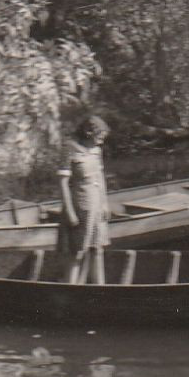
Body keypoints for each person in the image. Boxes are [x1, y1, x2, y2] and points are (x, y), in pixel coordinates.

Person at [57, 115, 110, 282]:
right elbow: (63, 183)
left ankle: (100, 288)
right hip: (79, 206)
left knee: (97, 249)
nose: (100, 142)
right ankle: (70, 290)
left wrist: (104, 204)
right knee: (77, 252)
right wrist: (70, 212)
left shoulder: (96, 150)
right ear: (88, 132)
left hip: (96, 205)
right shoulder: (69, 148)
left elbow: (99, 177)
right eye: (99, 137)